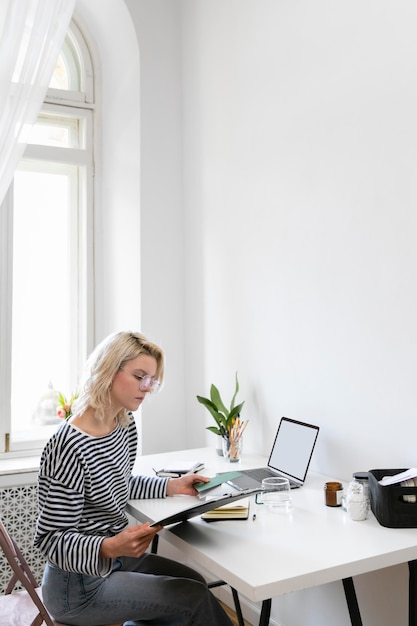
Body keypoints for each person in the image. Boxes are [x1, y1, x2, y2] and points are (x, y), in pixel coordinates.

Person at [34, 331, 234, 626]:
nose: (147, 388)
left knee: (195, 581)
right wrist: (111, 546)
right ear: (108, 370)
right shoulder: (68, 445)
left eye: (151, 380)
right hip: (76, 588)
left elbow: (119, 484)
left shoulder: (123, 426)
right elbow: (51, 541)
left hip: (113, 561)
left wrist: (173, 485)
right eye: (140, 376)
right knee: (191, 598)